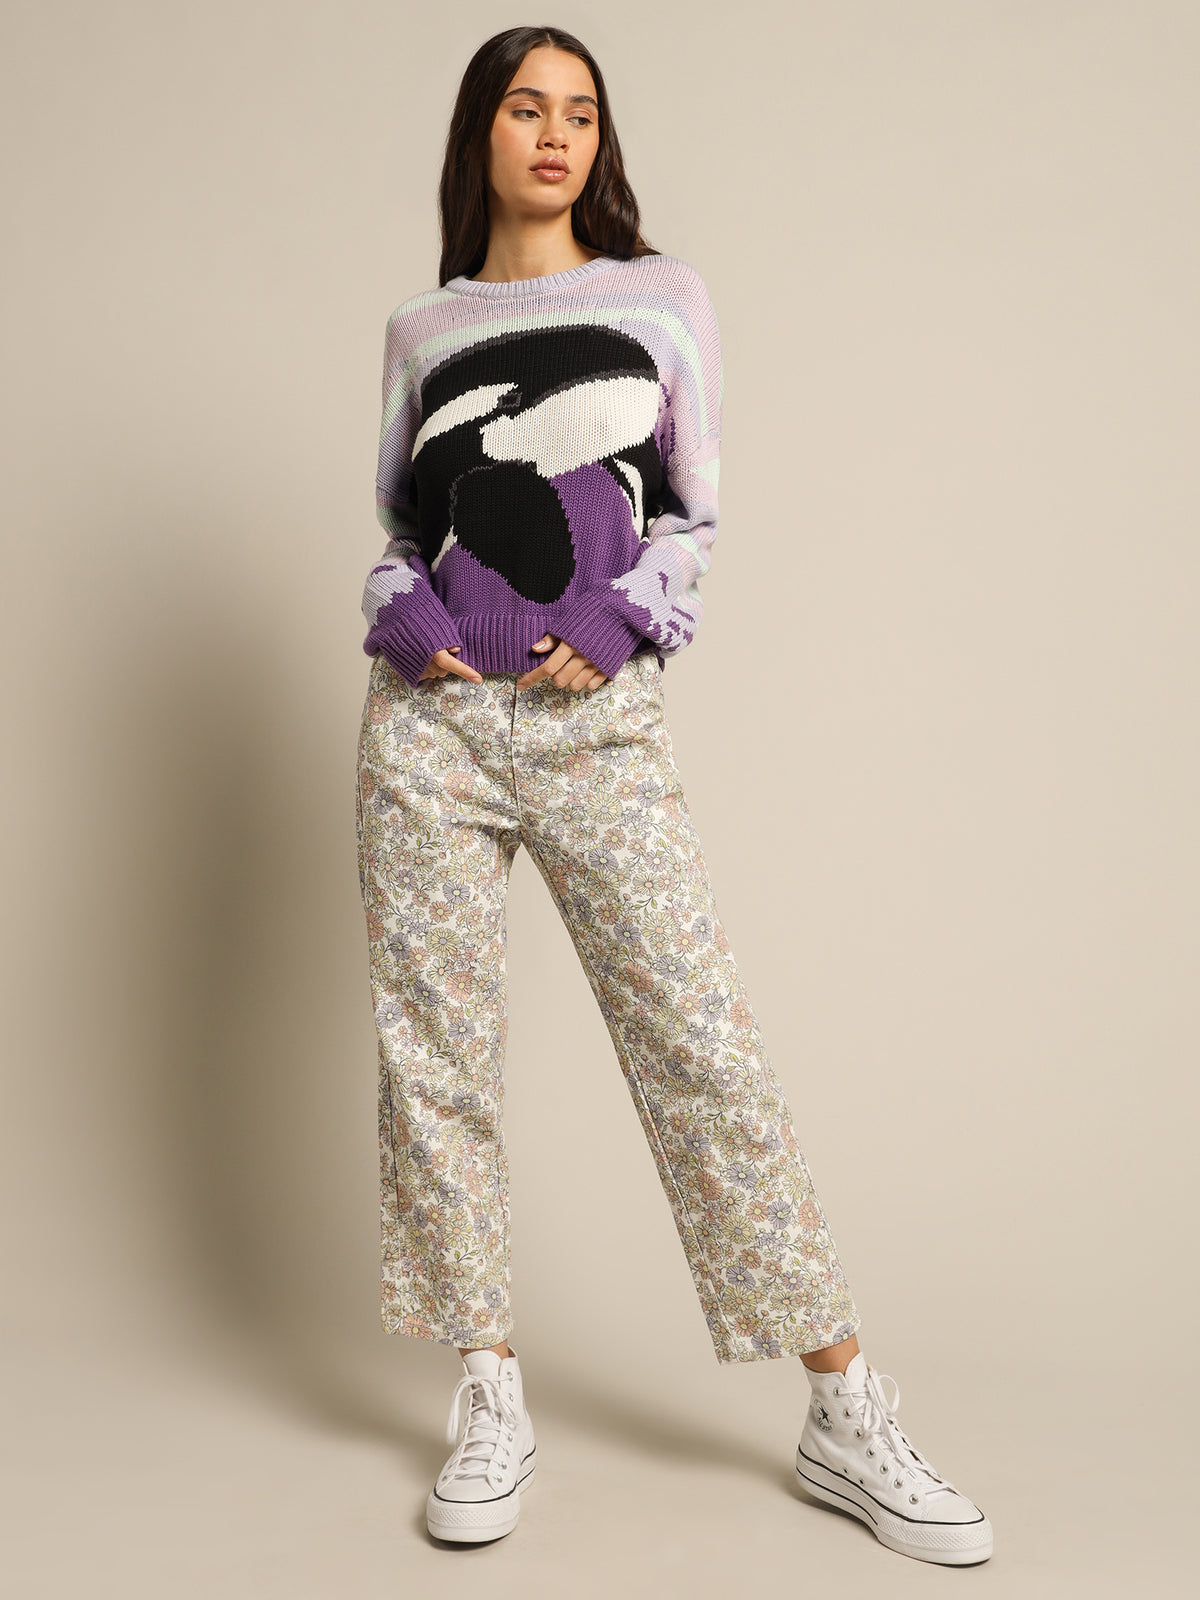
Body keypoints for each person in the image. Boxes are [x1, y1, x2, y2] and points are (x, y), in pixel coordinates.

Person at [353, 24, 992, 1566]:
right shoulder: (423, 329)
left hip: (597, 727)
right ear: (481, 133)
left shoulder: (661, 302)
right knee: (436, 1060)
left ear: (601, 141)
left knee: (699, 1044)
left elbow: (693, 519)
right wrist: (401, 614)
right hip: (428, 731)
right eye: (527, 108)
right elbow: (400, 528)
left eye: (580, 113)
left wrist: (628, 615)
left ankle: (842, 1406)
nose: (555, 135)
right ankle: (489, 1392)